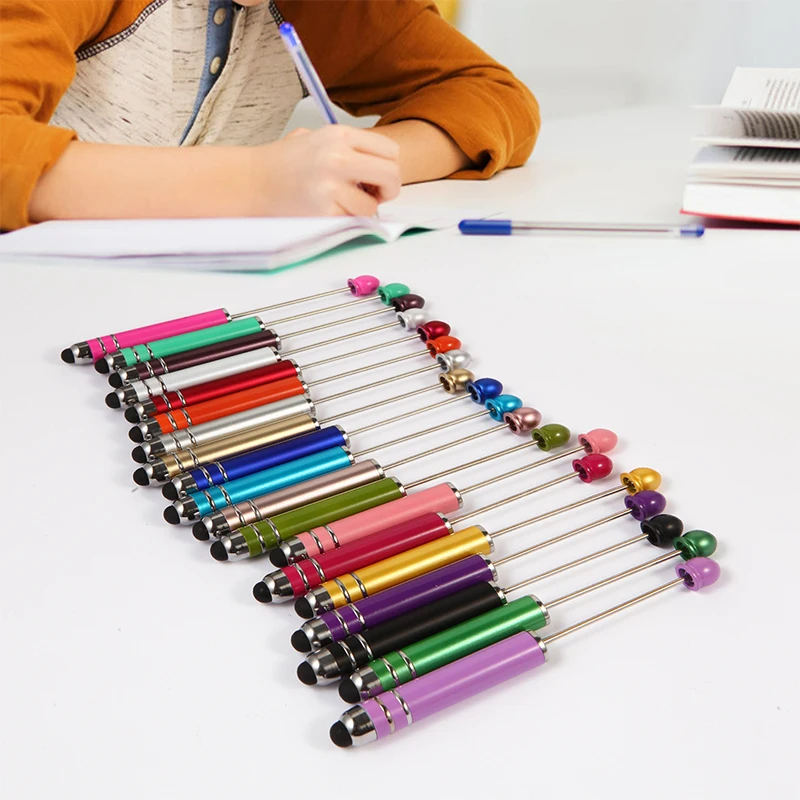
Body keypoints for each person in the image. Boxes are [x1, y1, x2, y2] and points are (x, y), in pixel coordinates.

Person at [0, 0, 539, 230]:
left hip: (179, 316)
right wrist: (259, 180)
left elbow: (493, 95)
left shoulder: (334, 10)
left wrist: (351, 164)